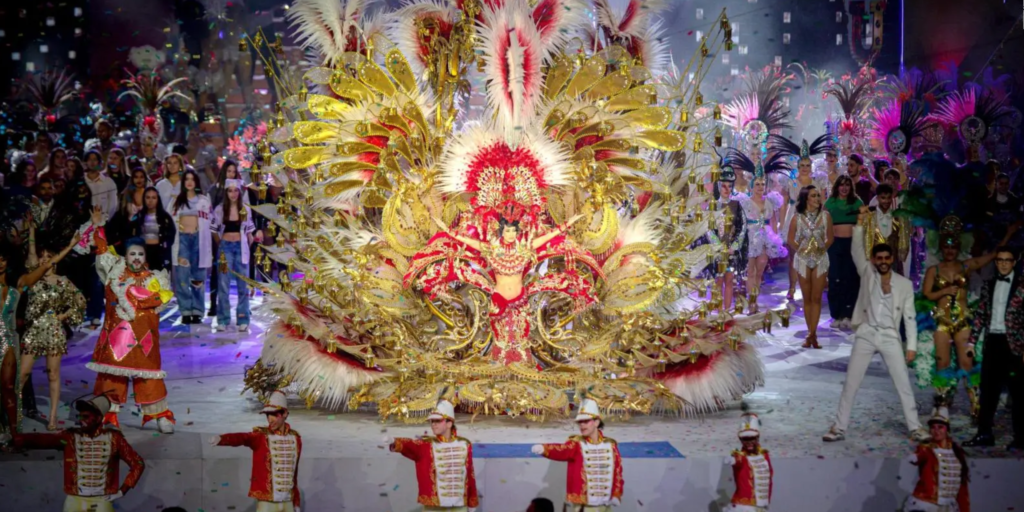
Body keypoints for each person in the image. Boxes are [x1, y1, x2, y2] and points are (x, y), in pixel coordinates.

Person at [823, 211, 929, 443]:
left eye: (886, 258)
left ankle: (915, 427)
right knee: (851, 383)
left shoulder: (904, 285)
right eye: (878, 258)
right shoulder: (867, 273)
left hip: (890, 337)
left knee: (903, 384)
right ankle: (839, 427)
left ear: (891, 260)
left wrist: (911, 346)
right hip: (867, 333)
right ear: (874, 260)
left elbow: (910, 318)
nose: (882, 262)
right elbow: (856, 251)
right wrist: (860, 225)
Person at [77, 207, 176, 432]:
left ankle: (159, 415)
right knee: (112, 376)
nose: (137, 258)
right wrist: (97, 225)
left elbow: (159, 299)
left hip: (144, 338)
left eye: (141, 254)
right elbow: (102, 249)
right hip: (117, 338)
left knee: (149, 377)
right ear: (126, 255)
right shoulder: (114, 274)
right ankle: (107, 416)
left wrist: (140, 297)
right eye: (132, 254)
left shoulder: (155, 279)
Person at [920, 219, 1017, 417]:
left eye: (953, 247)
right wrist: (945, 290)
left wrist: (1007, 234)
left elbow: (992, 256)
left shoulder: (966, 266)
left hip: (963, 322)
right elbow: (927, 294)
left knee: (967, 363)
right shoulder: (934, 270)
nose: (950, 251)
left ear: (958, 248)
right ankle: (942, 404)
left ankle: (976, 405)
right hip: (941, 322)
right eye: (946, 247)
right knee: (942, 363)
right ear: (941, 249)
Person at [11, 395, 145, 512]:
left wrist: (122, 491)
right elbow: (44, 440)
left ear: (98, 418)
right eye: (80, 416)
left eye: (86, 416)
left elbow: (138, 463)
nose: (81, 420)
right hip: (75, 498)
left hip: (102, 499)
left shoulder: (115, 439)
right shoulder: (70, 438)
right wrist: (17, 439)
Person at [0, 238, 71, 441]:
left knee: (10, 386)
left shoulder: (20, 284)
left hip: (13, 339)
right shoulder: (24, 282)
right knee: (16, 381)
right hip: (26, 334)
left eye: (4, 259)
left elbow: (46, 265)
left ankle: (15, 430)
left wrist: (70, 245)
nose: (1, 263)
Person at [18, 234, 85, 431]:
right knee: (22, 374)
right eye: (42, 256)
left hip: (54, 331)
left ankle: (53, 418)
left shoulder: (62, 281)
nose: (45, 259)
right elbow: (30, 254)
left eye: (49, 256)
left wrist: (63, 317)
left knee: (53, 374)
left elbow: (79, 302)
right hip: (33, 330)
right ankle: (11, 413)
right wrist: (31, 231)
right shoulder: (33, 277)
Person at [963, 247, 1023, 449]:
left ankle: (1021, 438)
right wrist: (971, 342)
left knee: (1018, 393)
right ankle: (984, 434)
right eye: (1000, 260)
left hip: (1014, 345)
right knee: (988, 391)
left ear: (1014, 262)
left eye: (1008, 260)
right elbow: (980, 315)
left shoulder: (1022, 285)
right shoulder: (988, 285)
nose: (1004, 263)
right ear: (996, 263)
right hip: (993, 342)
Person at [210, 390, 303, 512]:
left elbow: (293, 475)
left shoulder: (295, 438)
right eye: (267, 415)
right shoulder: (261, 436)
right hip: (267, 503)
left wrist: (296, 502)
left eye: (274, 414)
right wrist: (223, 439)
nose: (269, 419)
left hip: (287, 502)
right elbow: (243, 438)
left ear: (284, 413)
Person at [531, 399, 624, 511]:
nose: (582, 425)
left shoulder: (610, 445)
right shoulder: (576, 444)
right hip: (582, 505)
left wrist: (616, 494)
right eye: (580, 422)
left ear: (596, 422)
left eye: (586, 421)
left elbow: (617, 472)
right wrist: (544, 449)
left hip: (605, 504)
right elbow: (562, 450)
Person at [387, 399, 479, 511]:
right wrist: (394, 441)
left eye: (437, 421)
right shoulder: (426, 445)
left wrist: (472, 502)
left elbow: (470, 475)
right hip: (433, 506)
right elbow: (409, 445)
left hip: (459, 504)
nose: (433, 424)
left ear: (449, 423)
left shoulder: (464, 444)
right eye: (432, 421)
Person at [772, 135, 831, 300]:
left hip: (813, 220)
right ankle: (791, 287)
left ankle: (812, 286)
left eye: (807, 165)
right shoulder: (791, 183)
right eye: (802, 165)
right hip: (795, 220)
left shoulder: (817, 182)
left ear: (811, 166)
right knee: (794, 256)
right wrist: (782, 224)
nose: (805, 168)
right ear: (797, 166)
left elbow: (823, 203)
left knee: (814, 255)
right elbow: (785, 205)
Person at [787, 185, 832, 348]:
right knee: (807, 298)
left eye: (818, 196)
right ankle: (809, 333)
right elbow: (790, 239)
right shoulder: (797, 218)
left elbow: (830, 238)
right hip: (803, 260)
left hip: (820, 259)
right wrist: (802, 250)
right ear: (806, 198)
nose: (818, 199)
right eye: (814, 196)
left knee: (817, 297)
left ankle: (813, 334)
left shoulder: (826, 216)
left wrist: (820, 250)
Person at [903, 406, 970, 512]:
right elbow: (920, 455)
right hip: (925, 506)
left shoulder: (957, 453)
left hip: (948, 507)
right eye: (933, 427)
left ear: (947, 429)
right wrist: (915, 457)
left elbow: (962, 488)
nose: (936, 431)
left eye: (940, 427)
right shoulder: (927, 449)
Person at [213, 179, 259, 332]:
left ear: (240, 192)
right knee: (223, 284)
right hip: (225, 247)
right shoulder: (220, 209)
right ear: (226, 192)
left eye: (236, 190)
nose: (233, 194)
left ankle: (243, 318)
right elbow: (214, 230)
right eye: (230, 190)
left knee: (242, 284)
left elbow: (249, 232)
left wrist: (247, 246)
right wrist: (221, 245)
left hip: (241, 247)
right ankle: (223, 319)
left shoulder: (245, 209)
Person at [171, 170, 213, 325]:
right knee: (182, 277)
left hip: (198, 240)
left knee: (198, 277)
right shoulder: (176, 201)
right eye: (186, 179)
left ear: (196, 182)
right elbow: (170, 220)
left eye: (192, 179)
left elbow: (210, 220)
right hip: (181, 240)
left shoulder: (204, 200)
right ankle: (185, 310)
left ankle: (197, 310)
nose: (189, 182)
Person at [824, 175, 863, 329]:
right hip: (834, 245)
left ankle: (849, 314)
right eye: (841, 185)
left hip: (852, 245)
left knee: (851, 279)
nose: (844, 188)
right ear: (837, 187)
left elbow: (865, 219)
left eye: (847, 185)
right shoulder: (830, 202)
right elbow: (823, 222)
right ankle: (836, 314)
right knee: (834, 279)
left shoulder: (857, 202)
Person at [708, 165, 747, 313]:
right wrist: (718, 246)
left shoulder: (737, 205)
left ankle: (727, 312)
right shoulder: (712, 206)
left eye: (729, 186)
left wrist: (735, 246)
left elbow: (742, 228)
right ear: (718, 186)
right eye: (723, 186)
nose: (726, 189)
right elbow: (708, 229)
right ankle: (717, 312)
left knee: (730, 279)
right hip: (717, 251)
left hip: (731, 250)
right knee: (718, 280)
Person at [724, 412, 772, 511]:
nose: (749, 442)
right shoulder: (741, 457)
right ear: (741, 440)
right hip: (743, 507)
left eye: (752, 438)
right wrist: (731, 459)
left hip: (761, 506)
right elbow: (738, 460)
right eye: (745, 439)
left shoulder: (764, 455)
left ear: (757, 438)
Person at [863, 184, 911, 276]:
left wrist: (901, 258)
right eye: (883, 198)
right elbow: (865, 241)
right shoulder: (869, 218)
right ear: (877, 198)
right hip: (875, 263)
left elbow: (903, 240)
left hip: (894, 263)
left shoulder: (898, 217)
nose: (886, 201)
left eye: (889, 198)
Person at [132, 186, 177, 271]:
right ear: (144, 199)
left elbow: (172, 233)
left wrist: (165, 245)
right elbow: (130, 231)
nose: (150, 200)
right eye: (148, 197)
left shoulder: (165, 217)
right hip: (142, 252)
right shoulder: (138, 216)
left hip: (160, 252)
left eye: (154, 198)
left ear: (158, 199)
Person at [83, 149, 118, 222]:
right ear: (86, 162)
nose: (92, 162)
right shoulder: (81, 181)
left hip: (102, 224)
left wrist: (104, 221)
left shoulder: (108, 182)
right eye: (89, 159)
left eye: (95, 159)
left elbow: (113, 205)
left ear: (99, 162)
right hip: (83, 224)